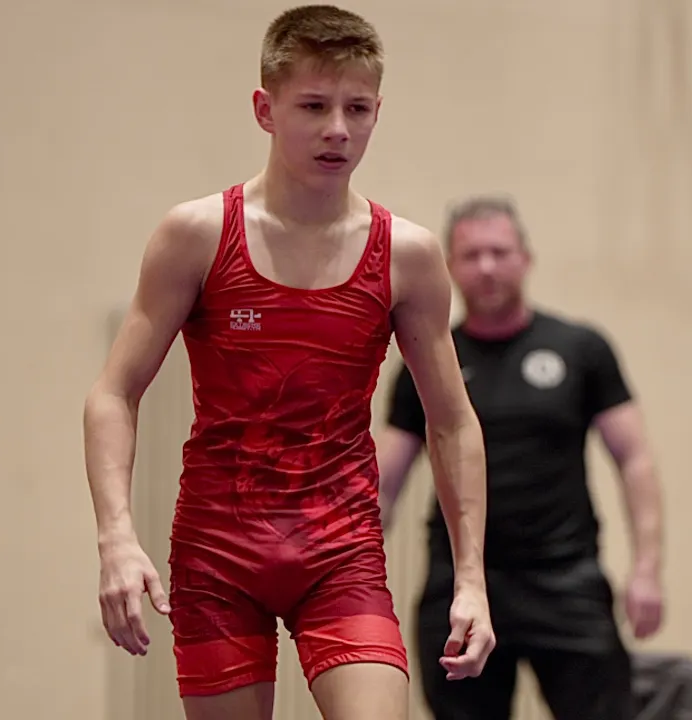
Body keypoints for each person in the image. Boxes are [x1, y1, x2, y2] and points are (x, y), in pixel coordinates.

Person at [81, 6, 496, 720]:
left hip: (340, 551)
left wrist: (472, 580)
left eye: (357, 108)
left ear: (376, 111)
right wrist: (117, 536)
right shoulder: (198, 235)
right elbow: (114, 393)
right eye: (313, 106)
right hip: (219, 551)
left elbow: (452, 421)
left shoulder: (408, 255)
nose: (338, 129)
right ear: (264, 109)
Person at [376, 196, 665, 720]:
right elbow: (383, 483)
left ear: (525, 259)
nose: (486, 267)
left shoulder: (581, 349)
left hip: (565, 579)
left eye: (499, 252)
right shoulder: (428, 361)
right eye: (471, 255)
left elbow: (634, 459)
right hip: (462, 587)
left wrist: (646, 570)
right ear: (450, 268)